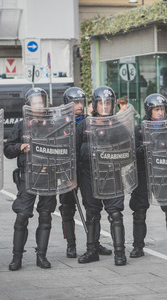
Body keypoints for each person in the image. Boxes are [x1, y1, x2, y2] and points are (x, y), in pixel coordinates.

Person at [4, 88, 57, 270]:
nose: (38, 105)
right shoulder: (21, 125)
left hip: (48, 176)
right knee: (22, 216)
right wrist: (20, 146)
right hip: (27, 176)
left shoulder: (53, 124)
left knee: (45, 216)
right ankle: (16, 257)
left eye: (41, 102)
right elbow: (8, 150)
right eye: (34, 102)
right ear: (28, 105)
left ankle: (41, 256)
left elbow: (64, 151)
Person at [129, 93, 167, 262]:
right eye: (156, 110)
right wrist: (141, 149)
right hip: (143, 175)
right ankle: (138, 246)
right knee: (139, 212)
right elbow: (131, 152)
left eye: (161, 109)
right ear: (149, 111)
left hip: (163, 176)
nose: (160, 113)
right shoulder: (139, 129)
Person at [76, 86, 129, 266]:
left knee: (115, 214)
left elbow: (128, 151)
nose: (105, 107)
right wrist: (72, 178)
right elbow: (74, 152)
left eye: (108, 103)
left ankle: (120, 253)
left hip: (112, 176)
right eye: (101, 103)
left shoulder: (119, 125)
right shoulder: (84, 125)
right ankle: (92, 250)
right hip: (88, 176)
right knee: (92, 213)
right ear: (94, 105)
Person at [59, 87, 112, 259]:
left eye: (81, 102)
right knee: (67, 208)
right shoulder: (59, 124)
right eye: (75, 103)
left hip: (87, 170)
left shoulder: (90, 122)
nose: (79, 106)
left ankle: (94, 243)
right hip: (67, 172)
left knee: (92, 207)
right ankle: (71, 245)